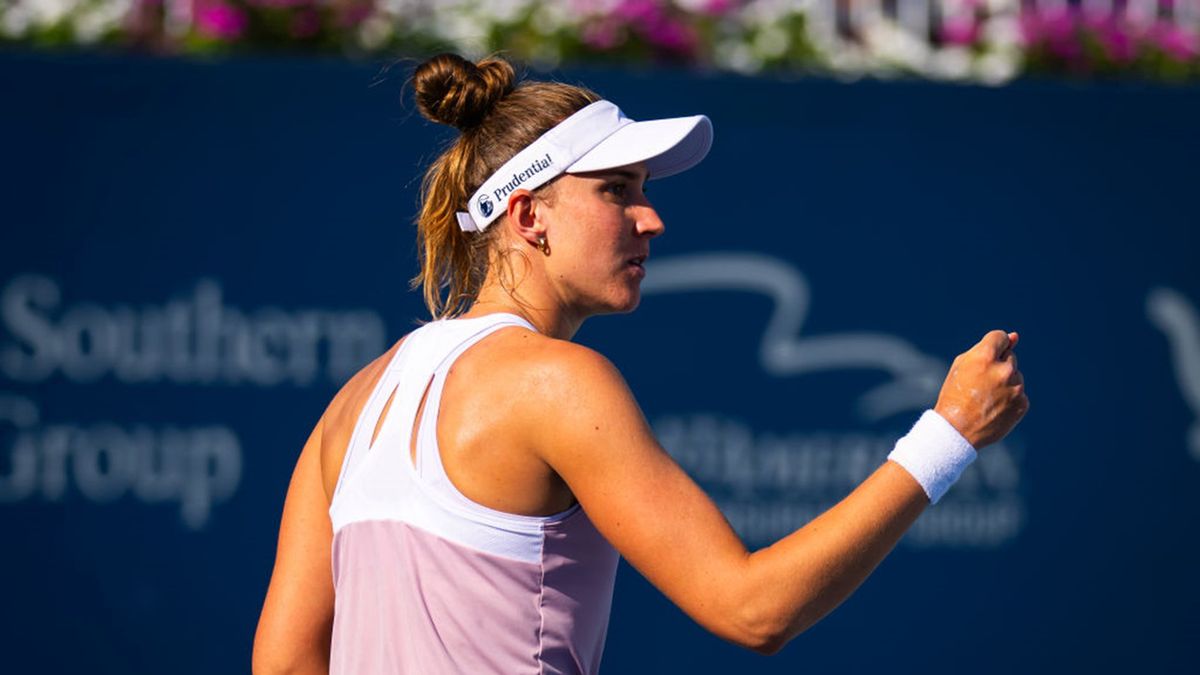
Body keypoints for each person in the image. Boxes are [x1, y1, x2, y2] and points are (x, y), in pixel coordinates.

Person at [252, 53, 1029, 675]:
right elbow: (753, 609)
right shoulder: (557, 383)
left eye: (643, 190)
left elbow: (286, 662)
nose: (650, 219)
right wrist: (949, 433)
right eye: (616, 190)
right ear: (529, 217)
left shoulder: (354, 401)